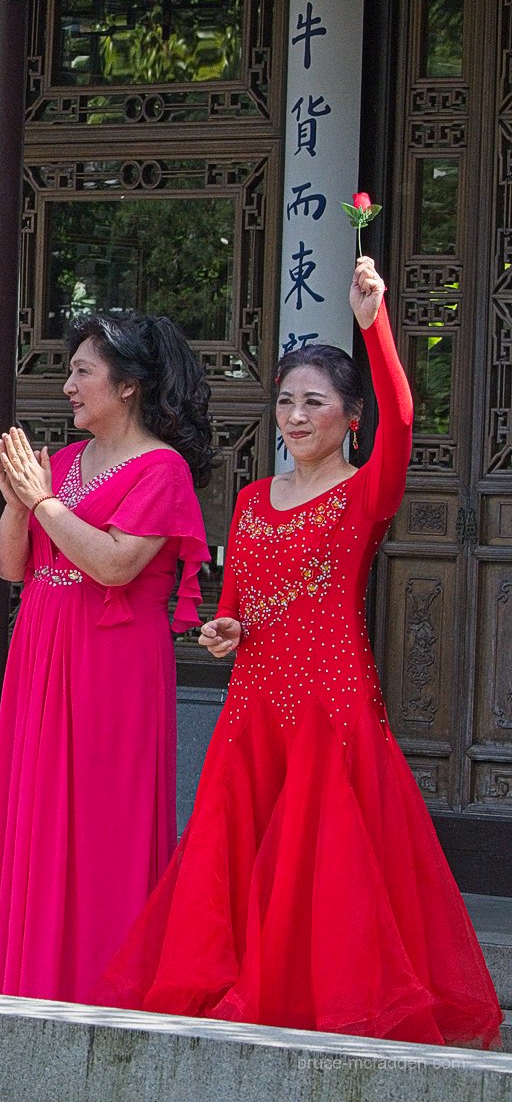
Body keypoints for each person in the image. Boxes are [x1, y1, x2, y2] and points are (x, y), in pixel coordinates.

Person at [100, 258, 500, 1047]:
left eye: (313, 401)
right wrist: (223, 629)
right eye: (285, 399)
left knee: (325, 874)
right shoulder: (251, 501)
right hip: (254, 706)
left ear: (351, 416)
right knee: (239, 870)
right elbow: (235, 607)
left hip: (330, 706)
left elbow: (408, 418)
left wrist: (375, 321)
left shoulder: (364, 492)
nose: (294, 414)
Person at [0, 307, 214, 1004]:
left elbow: (111, 565)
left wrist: (42, 502)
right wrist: (20, 506)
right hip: (43, 652)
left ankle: (101, 992)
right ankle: (28, 985)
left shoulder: (161, 470)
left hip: (111, 666)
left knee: (103, 828)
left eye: (82, 370)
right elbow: (10, 568)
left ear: (129, 383)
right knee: (35, 825)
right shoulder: (65, 464)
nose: (68, 385)